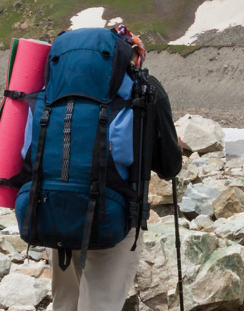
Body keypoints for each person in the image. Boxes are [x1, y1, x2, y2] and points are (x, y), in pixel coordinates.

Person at [35, 22, 184, 311]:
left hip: (54, 207)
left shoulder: (56, 86)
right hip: (114, 214)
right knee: (100, 304)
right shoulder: (145, 89)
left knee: (65, 303)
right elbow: (169, 167)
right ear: (135, 55)